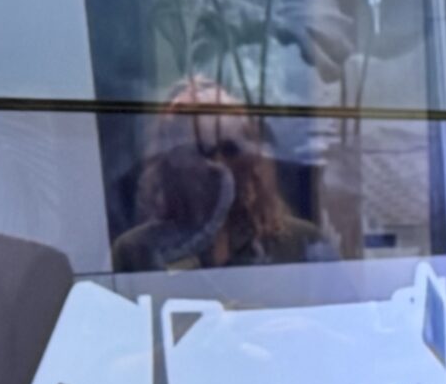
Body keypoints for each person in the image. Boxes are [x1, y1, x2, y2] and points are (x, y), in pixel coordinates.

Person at [112, 78, 330, 272]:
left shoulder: (301, 242)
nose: (218, 165)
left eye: (230, 150)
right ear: (173, 160)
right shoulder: (136, 252)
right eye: (202, 150)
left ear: (250, 160)